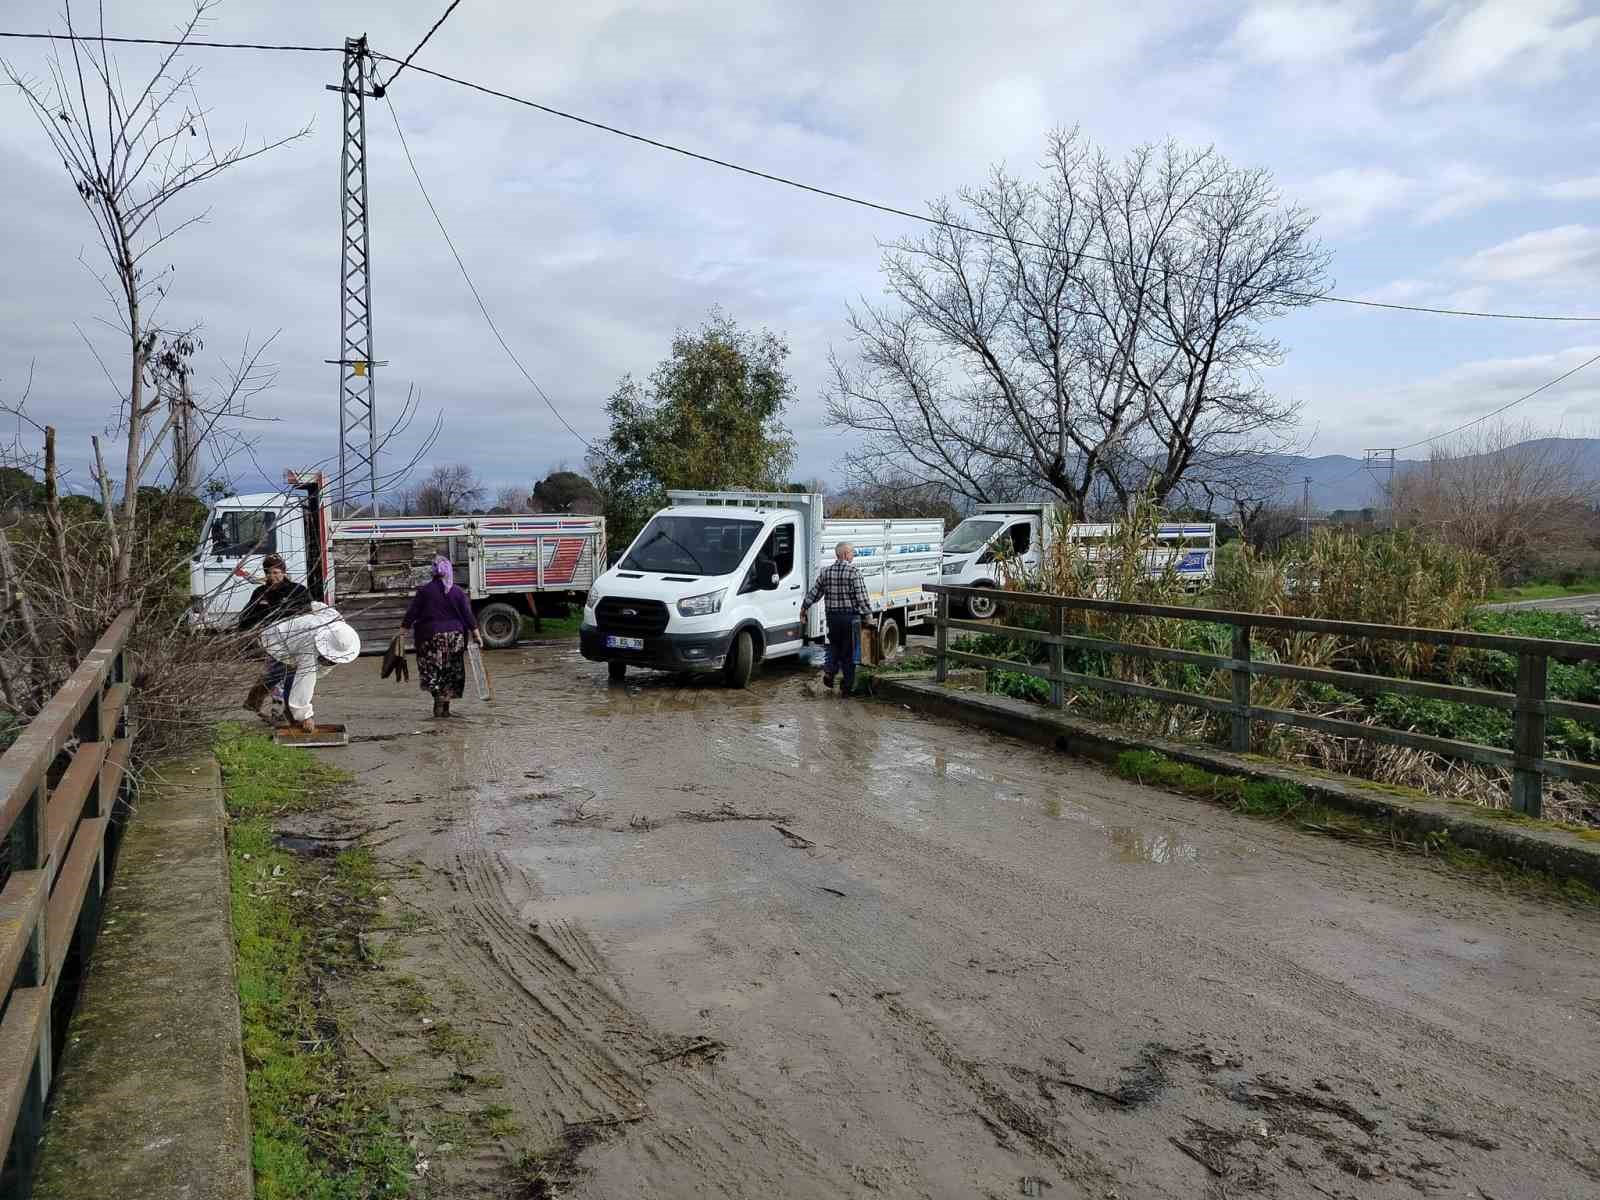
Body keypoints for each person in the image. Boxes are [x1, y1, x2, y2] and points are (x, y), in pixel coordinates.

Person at [259, 603, 361, 732]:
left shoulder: (337, 624)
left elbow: (318, 606)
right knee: (288, 677)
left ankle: (257, 701)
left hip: (294, 633)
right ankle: (295, 720)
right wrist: (306, 716)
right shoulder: (308, 650)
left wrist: (308, 605)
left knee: (277, 675)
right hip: (277, 639)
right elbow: (303, 682)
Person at [402, 556, 482, 718]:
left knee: (433, 671)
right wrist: (477, 635)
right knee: (451, 672)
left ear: (433, 572)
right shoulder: (457, 592)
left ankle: (439, 700)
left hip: (430, 637)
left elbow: (412, 613)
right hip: (455, 638)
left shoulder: (424, 592)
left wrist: (401, 632)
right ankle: (445, 708)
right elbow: (468, 615)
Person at [239, 554, 314, 719]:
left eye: (276, 572)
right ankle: (274, 709)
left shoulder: (298, 590)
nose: (273, 577)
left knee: (289, 675)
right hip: (273, 641)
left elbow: (310, 613)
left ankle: (275, 707)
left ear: (284, 572)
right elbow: (245, 618)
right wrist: (249, 633)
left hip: (297, 639)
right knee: (279, 673)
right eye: (269, 573)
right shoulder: (260, 593)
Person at [800, 541, 875, 699]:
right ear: (845, 554)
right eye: (852, 552)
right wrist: (869, 617)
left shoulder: (826, 572)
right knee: (848, 652)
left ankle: (829, 673)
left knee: (834, 646)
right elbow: (862, 598)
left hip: (832, 618)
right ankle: (847, 687)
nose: (853, 555)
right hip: (850, 618)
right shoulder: (854, 572)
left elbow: (815, 593)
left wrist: (804, 607)